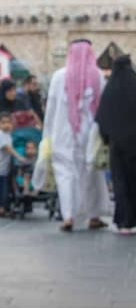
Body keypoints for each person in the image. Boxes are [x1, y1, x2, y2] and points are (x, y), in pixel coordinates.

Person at [40, 39, 109, 232]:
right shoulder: (98, 77)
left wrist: (47, 135)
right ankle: (93, 216)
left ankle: (68, 216)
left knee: (65, 174)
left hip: (62, 133)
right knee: (91, 174)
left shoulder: (58, 77)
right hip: (89, 135)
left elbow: (51, 109)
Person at [96, 55, 136, 235]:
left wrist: (107, 138)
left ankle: (124, 221)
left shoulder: (110, 90)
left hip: (117, 145)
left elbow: (101, 117)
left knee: (120, 181)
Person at [0, 112, 28, 218]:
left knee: (2, 190)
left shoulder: (8, 135)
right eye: (3, 123)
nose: (6, 125)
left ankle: (1, 208)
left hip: (3, 169)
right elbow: (8, 149)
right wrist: (19, 157)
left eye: (8, 122)